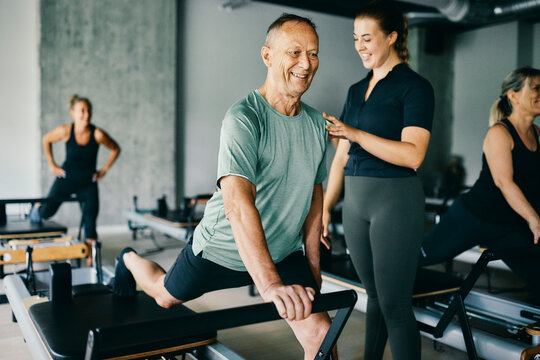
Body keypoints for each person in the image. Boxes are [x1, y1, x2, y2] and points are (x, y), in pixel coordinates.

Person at [113, 14, 334, 359]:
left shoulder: (316, 125)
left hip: (282, 251)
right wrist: (270, 285)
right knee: (163, 295)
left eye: (313, 53)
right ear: (267, 56)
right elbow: (238, 206)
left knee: (322, 336)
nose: (306, 64)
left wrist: (313, 271)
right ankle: (128, 260)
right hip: (222, 249)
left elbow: (314, 197)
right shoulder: (244, 118)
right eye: (294, 52)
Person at [321, 2, 434, 359]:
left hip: (395, 202)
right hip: (354, 203)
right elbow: (341, 154)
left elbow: (413, 154)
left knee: (395, 306)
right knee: (374, 300)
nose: (360, 46)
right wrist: (324, 208)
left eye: (367, 38)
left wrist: (354, 133)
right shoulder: (357, 90)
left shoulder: (415, 87)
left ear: (392, 37)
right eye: (355, 38)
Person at [420, 66, 540, 305]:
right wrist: (534, 218)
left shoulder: (536, 133)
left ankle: (531, 335)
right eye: (536, 88)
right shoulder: (500, 133)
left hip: (508, 225)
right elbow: (504, 182)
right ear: (513, 96)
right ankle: (379, 281)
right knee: (421, 257)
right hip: (473, 217)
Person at [30, 94, 120, 264]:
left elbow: (115, 148)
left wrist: (105, 169)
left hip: (88, 184)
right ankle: (36, 209)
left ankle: (91, 265)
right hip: (66, 179)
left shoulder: (98, 134)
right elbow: (46, 139)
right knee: (47, 212)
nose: (87, 114)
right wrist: (51, 164)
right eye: (82, 110)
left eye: (89, 110)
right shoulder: (65, 131)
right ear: (73, 113)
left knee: (90, 220)